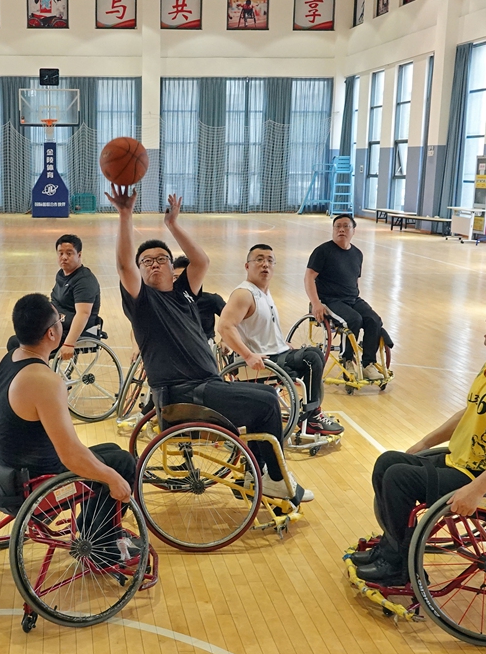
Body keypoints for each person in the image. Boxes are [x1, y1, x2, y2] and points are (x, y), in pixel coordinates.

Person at [112, 186, 312, 503]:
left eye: (161, 259)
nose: (154, 264)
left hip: (206, 385)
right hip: (183, 393)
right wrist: (125, 215)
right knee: (267, 404)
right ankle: (274, 478)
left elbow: (201, 260)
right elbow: (124, 266)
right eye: (146, 261)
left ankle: (256, 473)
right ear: (139, 270)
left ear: (170, 267)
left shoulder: (184, 293)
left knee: (266, 395)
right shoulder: (142, 303)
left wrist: (173, 224)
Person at [353, 298, 486, 585]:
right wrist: (423, 443)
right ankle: (392, 548)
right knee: (389, 462)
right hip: (463, 462)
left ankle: (399, 566)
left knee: (398, 478)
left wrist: (476, 489)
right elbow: (470, 413)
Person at [0, 293, 137, 557]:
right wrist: (111, 478)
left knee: (109, 449)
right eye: (60, 319)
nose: (63, 323)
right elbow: (71, 455)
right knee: (121, 464)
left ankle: (92, 528)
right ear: (52, 334)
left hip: (0, 464)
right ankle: (102, 549)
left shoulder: (12, 357)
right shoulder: (44, 381)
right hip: (32, 483)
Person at [216, 244, 344, 437]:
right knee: (312, 357)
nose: (265, 264)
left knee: (313, 354)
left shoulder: (264, 292)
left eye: (269, 260)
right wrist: (248, 355)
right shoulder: (244, 294)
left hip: (276, 354)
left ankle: (311, 414)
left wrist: (283, 344)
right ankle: (313, 417)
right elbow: (225, 326)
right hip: (260, 364)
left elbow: (258, 328)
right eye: (259, 259)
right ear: (247, 266)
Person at [305, 214, 388, 380]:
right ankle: (347, 360)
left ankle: (368, 364)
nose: (341, 229)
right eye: (337, 226)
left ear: (353, 231)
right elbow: (309, 277)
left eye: (346, 226)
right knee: (354, 320)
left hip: (352, 299)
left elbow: (354, 280)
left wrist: (355, 300)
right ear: (333, 230)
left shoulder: (357, 254)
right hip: (329, 300)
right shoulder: (322, 251)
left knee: (374, 320)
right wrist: (316, 303)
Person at [50, 234, 102, 365]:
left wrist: (69, 343)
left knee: (21, 344)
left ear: (79, 255)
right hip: (58, 326)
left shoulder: (84, 281)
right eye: (60, 253)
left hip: (74, 332)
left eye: (69, 253)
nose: (64, 257)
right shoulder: (61, 274)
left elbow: (83, 314)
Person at [172, 256, 225, 342]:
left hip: (204, 345)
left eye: (184, 278)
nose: (179, 282)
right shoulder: (165, 302)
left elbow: (233, 321)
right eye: (176, 278)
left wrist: (225, 340)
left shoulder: (212, 300)